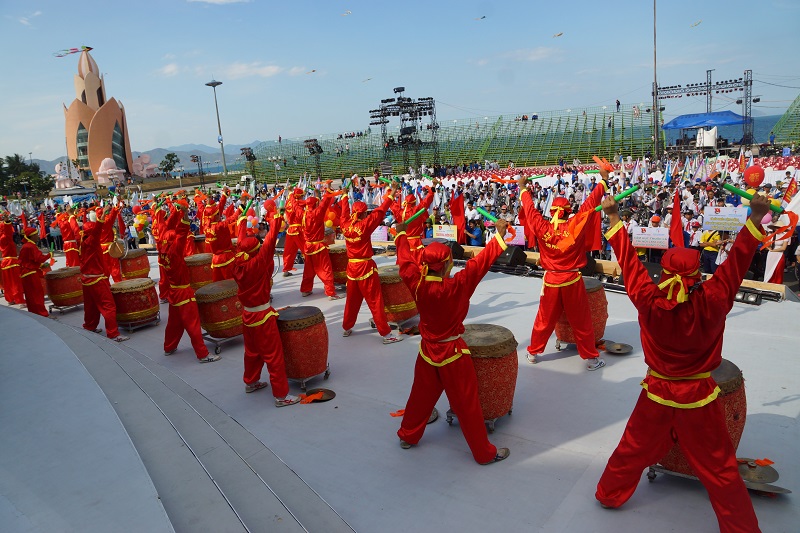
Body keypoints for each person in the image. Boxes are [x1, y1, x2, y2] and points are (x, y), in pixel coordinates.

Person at [594, 191, 769, 533]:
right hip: (699, 398)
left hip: (656, 393)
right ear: (699, 275)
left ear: (662, 272)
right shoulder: (715, 298)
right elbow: (737, 262)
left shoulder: (647, 297)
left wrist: (613, 216)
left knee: (632, 448)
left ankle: (608, 494)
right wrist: (755, 217)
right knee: (720, 469)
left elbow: (629, 262)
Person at [394, 217, 511, 465]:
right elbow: (479, 264)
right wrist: (498, 237)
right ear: (447, 264)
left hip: (427, 351)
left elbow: (404, 261)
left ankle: (408, 435)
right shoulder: (457, 285)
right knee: (467, 405)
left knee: (420, 396)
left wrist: (401, 234)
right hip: (453, 353)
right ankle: (483, 453)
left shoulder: (415, 282)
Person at [517, 170, 608, 370]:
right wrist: (603, 181)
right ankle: (591, 360)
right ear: (568, 212)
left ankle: (532, 352)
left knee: (544, 318)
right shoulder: (575, 225)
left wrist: (523, 188)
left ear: (551, 212)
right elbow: (590, 203)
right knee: (581, 321)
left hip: (551, 280)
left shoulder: (542, 227)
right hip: (572, 280)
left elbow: (530, 210)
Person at [232, 201, 300, 406]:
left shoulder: (238, 263)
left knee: (251, 352)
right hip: (262, 317)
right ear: (256, 251)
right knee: (273, 355)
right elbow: (270, 242)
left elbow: (241, 242)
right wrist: (276, 217)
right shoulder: (258, 263)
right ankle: (281, 395)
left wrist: (241, 222)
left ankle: (251, 381)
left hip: (247, 316)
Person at [340, 185, 403, 344]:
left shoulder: (344, 224)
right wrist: (391, 194)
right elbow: (380, 211)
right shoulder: (365, 225)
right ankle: (386, 335)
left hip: (351, 268)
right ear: (364, 214)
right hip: (365, 268)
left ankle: (347, 327)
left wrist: (344, 196)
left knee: (352, 301)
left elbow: (343, 212)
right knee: (375, 301)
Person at [160, 201, 217, 362]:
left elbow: (170, 229)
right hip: (184, 292)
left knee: (174, 323)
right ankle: (203, 354)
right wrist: (184, 214)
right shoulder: (174, 253)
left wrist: (177, 213)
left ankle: (169, 346)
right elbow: (181, 234)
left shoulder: (162, 253)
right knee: (193, 325)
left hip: (173, 291)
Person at [79, 206, 128, 342]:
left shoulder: (82, 242)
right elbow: (97, 231)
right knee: (109, 306)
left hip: (86, 280)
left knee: (90, 306)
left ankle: (89, 326)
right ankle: (113, 334)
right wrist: (103, 216)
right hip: (96, 280)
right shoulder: (92, 241)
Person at [300, 193, 340, 299]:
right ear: (315, 204)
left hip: (308, 247)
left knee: (308, 270)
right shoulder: (317, 213)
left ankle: (305, 290)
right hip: (318, 246)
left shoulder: (303, 214)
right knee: (326, 269)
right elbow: (324, 204)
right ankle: (330, 292)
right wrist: (328, 193)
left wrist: (291, 195)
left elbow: (295, 206)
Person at [18, 227, 50, 317]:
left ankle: (34, 313)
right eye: (36, 235)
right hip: (31, 273)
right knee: (37, 294)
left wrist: (40, 265)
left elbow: (29, 260)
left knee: (31, 296)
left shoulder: (27, 246)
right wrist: (49, 255)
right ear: (32, 236)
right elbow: (39, 258)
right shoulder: (31, 246)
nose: (38, 236)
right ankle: (42, 314)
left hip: (26, 273)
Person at [0, 213, 25, 305]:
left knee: (8, 283)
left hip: (4, 262)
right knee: (15, 282)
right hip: (11, 262)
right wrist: (6, 222)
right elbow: (8, 232)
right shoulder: (5, 237)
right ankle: (19, 299)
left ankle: (10, 299)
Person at [282, 188, 306, 277]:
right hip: (298, 229)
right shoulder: (299, 202)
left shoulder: (288, 202)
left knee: (289, 251)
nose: (303, 197)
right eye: (302, 196)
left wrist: (290, 193)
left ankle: (286, 270)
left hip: (290, 230)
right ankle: (313, 267)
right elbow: (310, 203)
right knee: (305, 249)